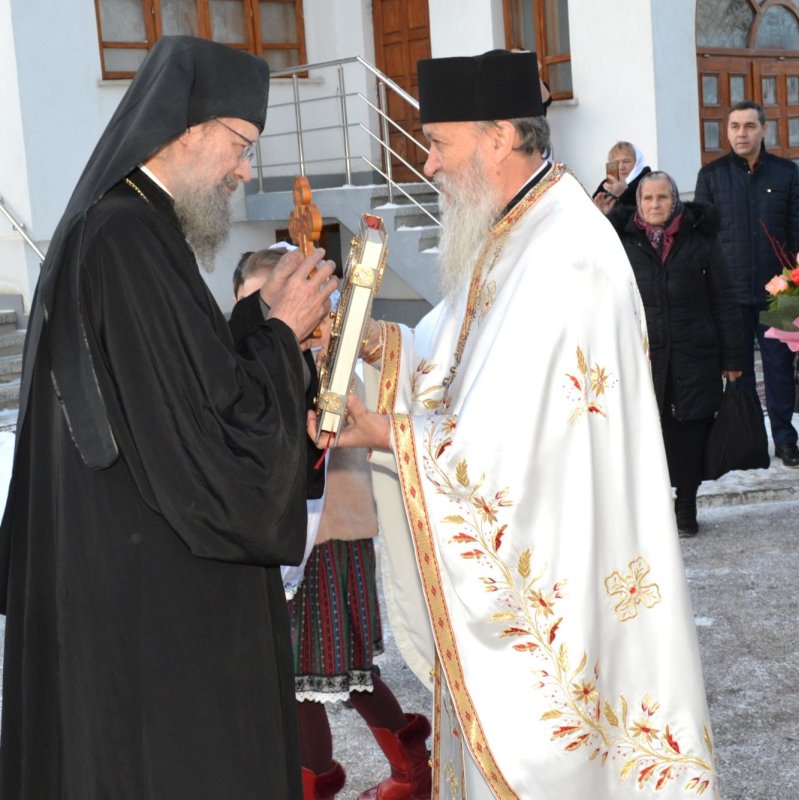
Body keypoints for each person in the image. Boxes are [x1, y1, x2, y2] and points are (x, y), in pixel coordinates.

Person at [314, 50, 719, 797]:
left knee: (566, 759)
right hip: (558, 531)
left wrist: (390, 436)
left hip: (567, 545)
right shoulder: (518, 224)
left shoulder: (565, 251)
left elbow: (522, 437)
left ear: (498, 138)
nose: (429, 164)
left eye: (439, 143)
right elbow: (456, 352)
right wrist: (377, 344)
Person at [0, 36, 337, 798]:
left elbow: (179, 382)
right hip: (154, 595)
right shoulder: (126, 236)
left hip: (127, 570)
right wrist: (280, 333)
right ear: (186, 130)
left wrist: (255, 328)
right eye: (241, 145)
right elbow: (209, 442)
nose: (246, 170)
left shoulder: (127, 228)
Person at [234, 248, 433, 800]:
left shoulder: (328, 360)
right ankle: (398, 764)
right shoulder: (250, 358)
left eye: (271, 300)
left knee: (323, 676)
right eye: (252, 303)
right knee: (319, 676)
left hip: (328, 535)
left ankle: (379, 775)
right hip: (285, 538)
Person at [609, 171, 745, 537]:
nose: (655, 205)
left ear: (675, 200)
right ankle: (651, 508)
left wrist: (733, 360)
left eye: (662, 198)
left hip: (694, 352)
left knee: (690, 434)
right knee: (645, 433)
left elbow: (725, 299)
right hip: (642, 356)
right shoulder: (621, 242)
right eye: (647, 199)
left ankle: (686, 505)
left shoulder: (700, 239)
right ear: (637, 203)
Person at [695, 100, 799, 467]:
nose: (741, 133)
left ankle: (785, 441)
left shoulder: (786, 173)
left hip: (775, 295)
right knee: (737, 370)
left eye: (748, 126)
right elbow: (703, 239)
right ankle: (746, 443)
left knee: (778, 370)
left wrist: (794, 283)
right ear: (727, 132)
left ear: (763, 130)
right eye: (734, 126)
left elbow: (797, 231)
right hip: (729, 295)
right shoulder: (711, 176)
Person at [592, 141, 651, 215]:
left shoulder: (648, 183)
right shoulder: (605, 184)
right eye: (616, 162)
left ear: (637, 163)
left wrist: (623, 194)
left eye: (626, 161)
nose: (621, 167)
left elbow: (642, 215)